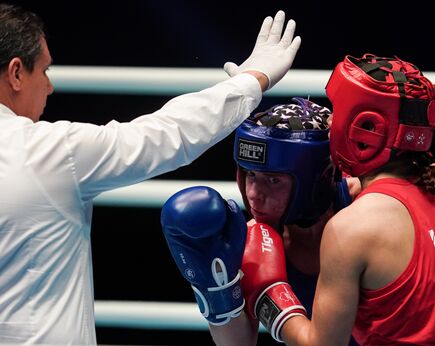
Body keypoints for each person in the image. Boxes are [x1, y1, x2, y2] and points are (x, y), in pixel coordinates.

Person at [0, 2, 301, 344]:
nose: (50, 87)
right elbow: (166, 134)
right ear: (15, 73)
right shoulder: (44, 153)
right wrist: (252, 80)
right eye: (44, 70)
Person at [231, 53, 435, 345]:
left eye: (338, 113)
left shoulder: (349, 228)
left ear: (367, 129)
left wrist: (269, 295)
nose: (329, 123)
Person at [160, 97, 358, 345]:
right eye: (250, 175)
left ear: (316, 179)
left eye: (273, 180)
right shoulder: (253, 243)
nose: (253, 193)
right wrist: (217, 291)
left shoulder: (364, 209)